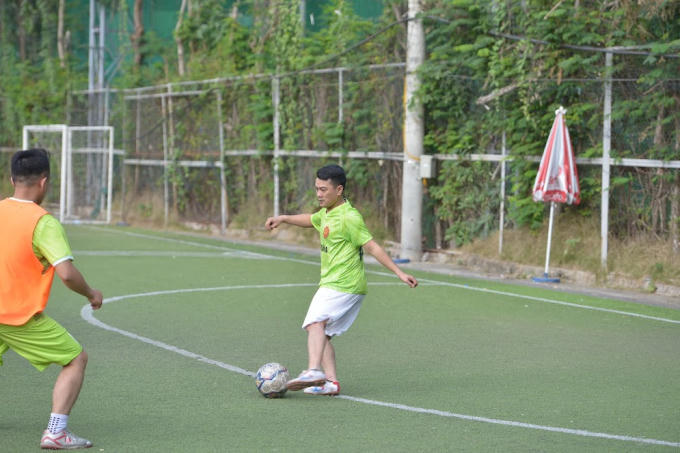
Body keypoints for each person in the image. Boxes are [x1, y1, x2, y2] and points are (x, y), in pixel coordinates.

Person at [265, 164, 417, 396]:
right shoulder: (327, 212)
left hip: (343, 283)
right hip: (339, 284)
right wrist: (284, 218)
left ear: (339, 190)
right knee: (322, 335)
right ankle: (331, 383)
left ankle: (313, 370)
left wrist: (399, 273)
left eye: (324, 189)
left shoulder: (349, 217)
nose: (319, 194)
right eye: (317, 188)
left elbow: (372, 247)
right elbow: (311, 219)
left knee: (314, 324)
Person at [0, 149, 103, 450]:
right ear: (44, 182)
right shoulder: (42, 222)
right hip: (15, 316)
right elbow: (67, 274)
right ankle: (56, 432)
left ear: (12, 180)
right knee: (75, 358)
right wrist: (91, 293)